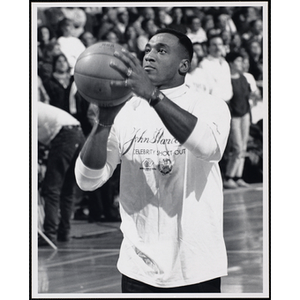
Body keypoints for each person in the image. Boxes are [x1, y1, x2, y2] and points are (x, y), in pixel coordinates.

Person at [75, 28, 230, 293]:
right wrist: (103, 121)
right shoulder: (126, 111)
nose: (149, 55)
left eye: (161, 50)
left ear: (184, 65)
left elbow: (209, 147)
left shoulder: (208, 105)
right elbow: (87, 180)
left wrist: (153, 96)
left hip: (195, 265)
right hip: (138, 268)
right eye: (147, 49)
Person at [38, 102, 85, 246]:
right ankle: (64, 232)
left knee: (51, 188)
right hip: (78, 133)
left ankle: (49, 234)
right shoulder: (36, 105)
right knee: (67, 189)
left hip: (64, 136)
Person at [223, 52, 251, 189]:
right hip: (234, 116)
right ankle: (229, 176)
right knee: (237, 147)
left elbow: (247, 97)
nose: (241, 64)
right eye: (239, 61)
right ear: (232, 63)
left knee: (243, 146)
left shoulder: (244, 78)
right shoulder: (227, 79)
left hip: (245, 115)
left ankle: (238, 176)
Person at [199, 35, 233, 101]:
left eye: (220, 44)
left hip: (228, 103)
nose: (218, 48)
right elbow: (208, 88)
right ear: (208, 48)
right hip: (214, 102)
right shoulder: (204, 64)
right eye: (214, 45)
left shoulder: (225, 63)